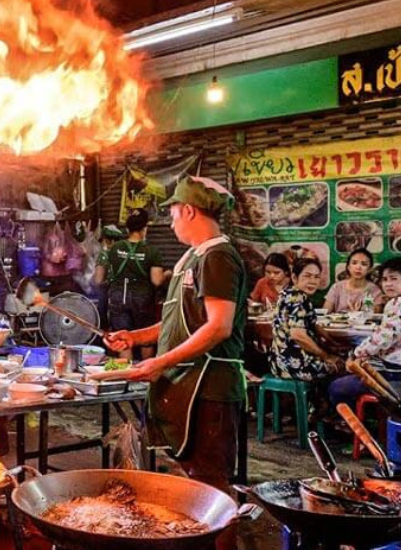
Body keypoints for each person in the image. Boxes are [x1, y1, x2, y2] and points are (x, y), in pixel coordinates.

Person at [103, 177, 246, 550]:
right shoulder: (192, 256)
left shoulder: (218, 255)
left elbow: (218, 327)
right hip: (187, 384)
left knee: (213, 484)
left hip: (210, 387)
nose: (169, 222)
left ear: (189, 210)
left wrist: (160, 362)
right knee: (192, 476)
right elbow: (174, 323)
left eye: (171, 212)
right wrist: (135, 338)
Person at [328, 257, 401, 410]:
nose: (388, 284)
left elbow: (383, 338)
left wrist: (356, 352)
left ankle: (351, 426)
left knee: (337, 387)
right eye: (385, 279)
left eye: (394, 279)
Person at [94, 209, 166, 359]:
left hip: (118, 298)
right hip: (143, 300)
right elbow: (157, 280)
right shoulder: (152, 251)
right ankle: (146, 379)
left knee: (122, 339)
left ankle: (125, 377)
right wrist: (168, 274)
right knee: (146, 340)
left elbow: (100, 278)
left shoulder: (114, 248)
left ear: (127, 229)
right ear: (145, 228)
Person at [268, 258, 344, 383]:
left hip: (279, 362)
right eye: (307, 276)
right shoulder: (298, 298)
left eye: (316, 277)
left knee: (338, 356)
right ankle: (321, 401)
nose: (312, 281)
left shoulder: (289, 293)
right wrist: (327, 356)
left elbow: (313, 325)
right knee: (342, 365)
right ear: (294, 277)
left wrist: (333, 343)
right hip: (294, 365)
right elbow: (298, 335)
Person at [322, 248, 381, 313]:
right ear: (348, 267)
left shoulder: (374, 290)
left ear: (369, 269)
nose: (358, 267)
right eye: (354, 263)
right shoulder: (337, 287)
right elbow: (325, 313)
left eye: (364, 264)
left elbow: (375, 316)